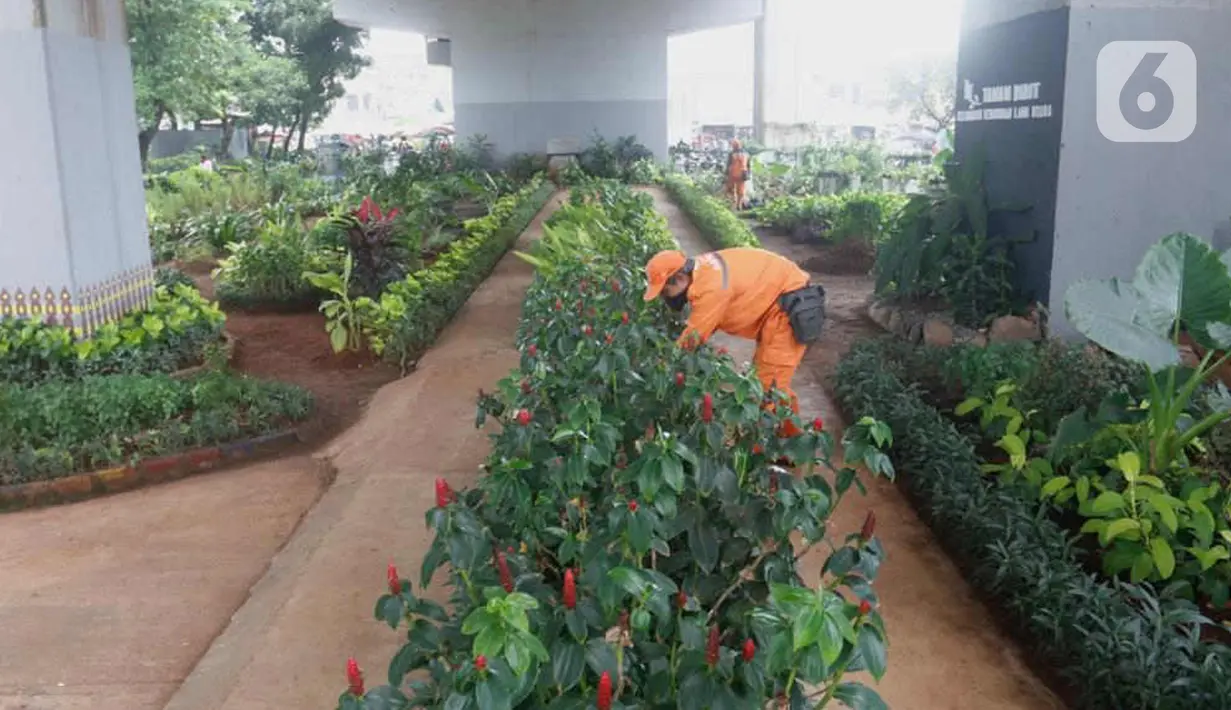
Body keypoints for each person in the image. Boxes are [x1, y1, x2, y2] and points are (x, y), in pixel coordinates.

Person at [643, 248, 827, 438]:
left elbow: (693, 337)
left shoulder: (710, 288)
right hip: (777, 297)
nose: (666, 298)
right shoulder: (700, 270)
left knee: (769, 386)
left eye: (666, 291)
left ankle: (776, 445)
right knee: (767, 380)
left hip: (788, 306)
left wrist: (664, 365)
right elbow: (706, 321)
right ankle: (785, 438)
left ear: (680, 277)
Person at [724, 139, 750, 210]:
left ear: (733, 146)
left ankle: (734, 203)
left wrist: (726, 174)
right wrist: (748, 174)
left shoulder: (731, 153)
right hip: (743, 174)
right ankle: (739, 205)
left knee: (731, 189)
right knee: (741, 190)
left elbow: (728, 164)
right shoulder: (746, 153)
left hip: (733, 174)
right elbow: (748, 165)